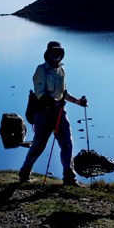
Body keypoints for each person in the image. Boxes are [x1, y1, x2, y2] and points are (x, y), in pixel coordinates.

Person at [19, 41, 88, 185]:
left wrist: (78, 102)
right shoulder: (41, 70)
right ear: (48, 53)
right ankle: (25, 172)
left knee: (67, 143)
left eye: (59, 52)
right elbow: (40, 93)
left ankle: (69, 177)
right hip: (43, 114)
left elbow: (64, 93)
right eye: (53, 52)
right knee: (39, 145)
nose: (56, 54)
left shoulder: (61, 70)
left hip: (60, 113)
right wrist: (54, 102)